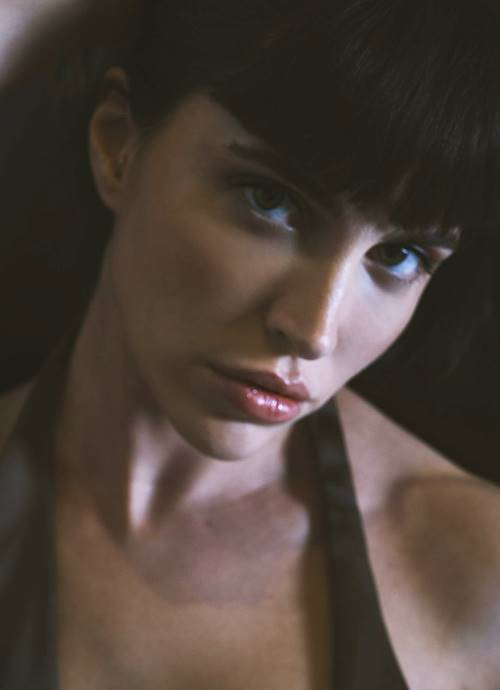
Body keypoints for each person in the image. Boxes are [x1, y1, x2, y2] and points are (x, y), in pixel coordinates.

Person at [1, 1, 500, 688]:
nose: (314, 330)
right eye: (270, 199)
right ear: (119, 147)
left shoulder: (478, 584)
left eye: (400, 254)